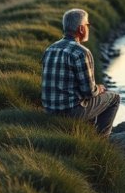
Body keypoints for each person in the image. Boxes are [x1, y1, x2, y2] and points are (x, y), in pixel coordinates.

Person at [41, 8, 120, 138]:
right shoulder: (81, 52)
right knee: (114, 98)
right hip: (71, 112)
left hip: (50, 111)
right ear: (81, 29)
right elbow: (89, 92)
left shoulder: (50, 48)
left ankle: (84, 133)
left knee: (88, 99)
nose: (89, 27)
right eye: (87, 24)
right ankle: (101, 141)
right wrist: (99, 88)